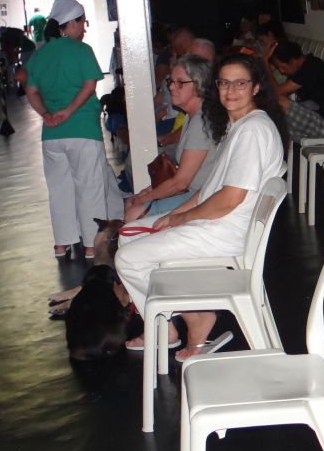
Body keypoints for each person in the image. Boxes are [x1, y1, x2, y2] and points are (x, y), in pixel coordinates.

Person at [116, 53, 287, 358]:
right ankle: (172, 325)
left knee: (128, 259)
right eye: (224, 83)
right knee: (128, 235)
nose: (230, 90)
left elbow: (229, 199)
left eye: (240, 83)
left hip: (224, 230)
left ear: (256, 87)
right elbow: (211, 189)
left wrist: (181, 219)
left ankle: (192, 317)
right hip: (219, 223)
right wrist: (176, 213)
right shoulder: (241, 125)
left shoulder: (252, 131)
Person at [25, 0, 124, 260]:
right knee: (90, 187)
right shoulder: (82, 51)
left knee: (59, 189)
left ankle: (62, 243)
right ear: (69, 23)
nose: (84, 28)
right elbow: (90, 85)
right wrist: (68, 111)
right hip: (82, 130)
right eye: (82, 22)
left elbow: (31, 91)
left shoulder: (39, 55)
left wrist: (46, 114)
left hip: (51, 135)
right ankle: (92, 245)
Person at [123, 54, 218, 221]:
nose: (171, 87)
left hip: (202, 196)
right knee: (131, 203)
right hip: (192, 191)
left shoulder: (201, 122)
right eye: (171, 81)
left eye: (180, 82)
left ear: (199, 85)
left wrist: (147, 196)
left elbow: (181, 183)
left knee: (133, 213)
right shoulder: (191, 116)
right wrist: (148, 191)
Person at [271, 40, 324, 141]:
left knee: (280, 102)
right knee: (278, 124)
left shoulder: (310, 68)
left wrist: (264, 62)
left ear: (293, 61)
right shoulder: (302, 67)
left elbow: (276, 92)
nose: (281, 71)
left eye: (282, 67)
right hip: (316, 118)